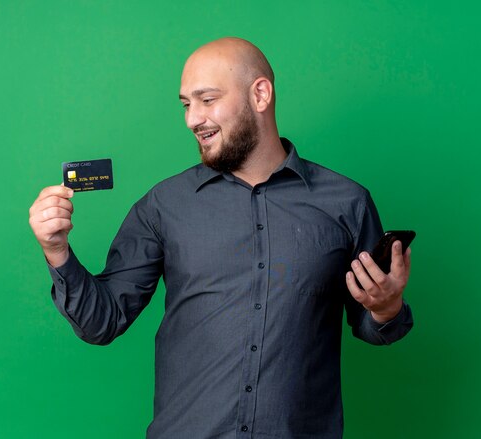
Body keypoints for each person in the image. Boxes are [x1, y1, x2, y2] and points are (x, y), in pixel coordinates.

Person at [29, 37, 413, 439]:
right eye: (186, 104)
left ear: (260, 95)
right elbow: (101, 322)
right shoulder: (163, 205)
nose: (193, 119)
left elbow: (373, 325)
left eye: (207, 100)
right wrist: (57, 251)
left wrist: (386, 309)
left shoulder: (347, 203)